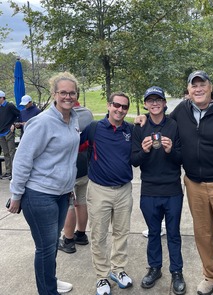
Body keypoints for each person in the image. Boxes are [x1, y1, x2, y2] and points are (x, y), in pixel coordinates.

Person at [136, 71, 213, 295]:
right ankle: (212, 276)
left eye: (202, 85)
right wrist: (144, 120)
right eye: (194, 86)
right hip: (194, 183)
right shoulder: (182, 111)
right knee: (203, 235)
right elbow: (162, 121)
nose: (198, 89)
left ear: (210, 87)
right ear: (188, 91)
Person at [8, 72, 81, 295]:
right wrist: (16, 195)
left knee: (51, 246)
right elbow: (22, 160)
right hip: (40, 195)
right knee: (46, 248)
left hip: (62, 193)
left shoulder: (73, 118)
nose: (68, 96)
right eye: (63, 92)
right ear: (54, 94)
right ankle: (47, 290)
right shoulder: (41, 123)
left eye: (72, 92)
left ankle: (50, 279)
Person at [131, 86, 186, 295]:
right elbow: (134, 161)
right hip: (149, 190)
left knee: (173, 233)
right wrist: (144, 151)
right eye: (150, 100)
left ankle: (177, 272)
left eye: (158, 100)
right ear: (145, 104)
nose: (154, 103)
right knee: (154, 232)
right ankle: (155, 268)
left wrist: (171, 150)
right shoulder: (140, 126)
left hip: (172, 189)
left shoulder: (174, 125)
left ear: (164, 103)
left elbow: (182, 158)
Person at [80, 92, 133, 295]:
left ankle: (118, 270)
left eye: (124, 107)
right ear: (109, 105)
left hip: (123, 189)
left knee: (122, 233)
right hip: (99, 190)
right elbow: (71, 146)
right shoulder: (94, 128)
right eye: (116, 105)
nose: (120, 110)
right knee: (99, 235)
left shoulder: (130, 129)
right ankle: (102, 276)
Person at [58, 99, 93, 254]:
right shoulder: (88, 114)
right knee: (82, 202)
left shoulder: (60, 115)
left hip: (69, 166)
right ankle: (81, 234)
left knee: (69, 205)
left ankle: (69, 240)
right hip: (85, 165)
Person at [0, 90, 20, 180]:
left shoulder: (9, 105)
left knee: (12, 152)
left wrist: (14, 124)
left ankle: (15, 171)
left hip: (9, 131)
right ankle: (8, 171)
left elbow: (19, 115)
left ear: (2, 98)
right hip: (1, 133)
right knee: (6, 153)